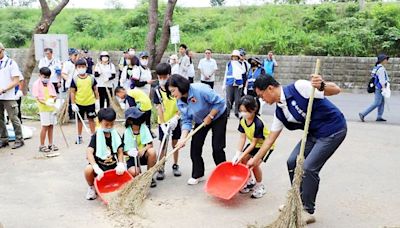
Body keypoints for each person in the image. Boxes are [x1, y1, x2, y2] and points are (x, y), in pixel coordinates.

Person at [248, 75, 347, 224]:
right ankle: (297, 202)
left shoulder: (300, 87)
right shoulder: (280, 112)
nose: (262, 100)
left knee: (308, 168)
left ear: (270, 88)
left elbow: (336, 90)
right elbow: (269, 140)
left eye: (261, 95)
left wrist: (321, 85)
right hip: (313, 134)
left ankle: (307, 210)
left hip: (333, 130)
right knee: (292, 161)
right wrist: (255, 160)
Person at [168, 74, 227, 185]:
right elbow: (186, 120)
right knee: (195, 147)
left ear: (180, 86)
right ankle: (198, 174)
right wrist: (183, 138)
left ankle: (224, 174)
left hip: (218, 115)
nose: (172, 94)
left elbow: (220, 102)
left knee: (217, 148)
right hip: (201, 121)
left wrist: (210, 116)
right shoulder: (180, 101)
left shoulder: (200, 90)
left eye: (173, 91)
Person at [232, 95, 274, 199]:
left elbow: (253, 143)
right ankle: (250, 181)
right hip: (254, 144)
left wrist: (241, 156)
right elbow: (242, 138)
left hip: (265, 145)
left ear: (254, 109)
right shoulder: (242, 120)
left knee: (254, 164)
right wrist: (238, 154)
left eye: (246, 111)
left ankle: (260, 186)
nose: (243, 113)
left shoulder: (258, 123)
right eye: (241, 111)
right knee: (243, 161)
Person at [84, 108, 126, 200]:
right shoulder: (96, 135)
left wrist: (121, 163)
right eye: (106, 124)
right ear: (100, 122)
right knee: (88, 169)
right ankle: (91, 188)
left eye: (111, 124)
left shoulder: (115, 134)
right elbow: (89, 152)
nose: (109, 127)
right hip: (100, 168)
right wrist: (95, 167)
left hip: (113, 166)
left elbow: (120, 150)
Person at [154, 63, 181, 180]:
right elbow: (159, 108)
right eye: (160, 77)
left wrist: (176, 118)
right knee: (163, 145)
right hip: (163, 123)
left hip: (175, 120)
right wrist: (164, 123)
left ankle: (175, 165)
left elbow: (181, 106)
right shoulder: (157, 91)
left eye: (165, 77)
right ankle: (161, 168)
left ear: (169, 75)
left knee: (175, 144)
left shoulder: (176, 89)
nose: (162, 80)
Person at [123, 107, 157, 187]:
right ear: (130, 121)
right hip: (132, 157)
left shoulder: (144, 128)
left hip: (142, 155)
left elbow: (150, 144)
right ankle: (137, 178)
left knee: (152, 151)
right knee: (135, 172)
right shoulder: (127, 132)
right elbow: (124, 151)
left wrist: (143, 150)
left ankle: (149, 177)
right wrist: (130, 152)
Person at [0, 42, 24, 149]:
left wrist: (4, 89)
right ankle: (3, 139)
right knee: (0, 119)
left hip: (8, 96)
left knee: (14, 118)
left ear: (3, 50)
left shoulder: (10, 63)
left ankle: (19, 139)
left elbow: (16, 80)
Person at [70, 58, 99, 144]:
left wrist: (97, 101)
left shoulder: (91, 78)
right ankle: (79, 136)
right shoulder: (75, 79)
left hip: (90, 103)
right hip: (79, 103)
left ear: (86, 67)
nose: (81, 68)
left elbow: (95, 90)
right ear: (76, 68)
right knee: (79, 121)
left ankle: (93, 137)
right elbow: (72, 92)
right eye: (79, 67)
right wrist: (73, 104)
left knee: (91, 120)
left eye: (83, 66)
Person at [32, 67, 59, 154]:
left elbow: (54, 95)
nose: (46, 79)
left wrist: (53, 99)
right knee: (45, 126)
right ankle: (42, 145)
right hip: (44, 108)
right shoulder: (36, 84)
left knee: (51, 126)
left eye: (48, 77)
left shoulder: (50, 84)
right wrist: (46, 102)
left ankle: (51, 144)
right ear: (40, 75)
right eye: (44, 76)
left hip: (51, 107)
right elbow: (37, 98)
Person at [359, 54, 390, 122]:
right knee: (377, 103)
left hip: (377, 87)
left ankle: (379, 116)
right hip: (380, 88)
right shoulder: (381, 69)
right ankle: (363, 113)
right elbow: (382, 80)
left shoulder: (376, 67)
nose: (387, 60)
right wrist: (384, 88)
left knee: (381, 102)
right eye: (386, 59)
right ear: (382, 60)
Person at [222, 50, 246, 119]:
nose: (235, 58)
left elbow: (243, 71)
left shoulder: (241, 64)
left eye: (236, 57)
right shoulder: (229, 63)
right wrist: (224, 84)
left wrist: (242, 61)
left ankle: (236, 112)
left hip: (238, 83)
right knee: (228, 99)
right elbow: (226, 74)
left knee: (238, 99)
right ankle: (227, 113)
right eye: (233, 57)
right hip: (230, 82)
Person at [61, 48, 80, 119]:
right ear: (70, 56)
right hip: (70, 86)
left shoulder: (80, 63)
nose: (76, 57)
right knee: (69, 101)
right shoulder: (67, 64)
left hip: (79, 85)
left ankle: (78, 115)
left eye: (77, 55)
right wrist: (69, 80)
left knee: (78, 100)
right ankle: (69, 115)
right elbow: (63, 74)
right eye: (74, 55)